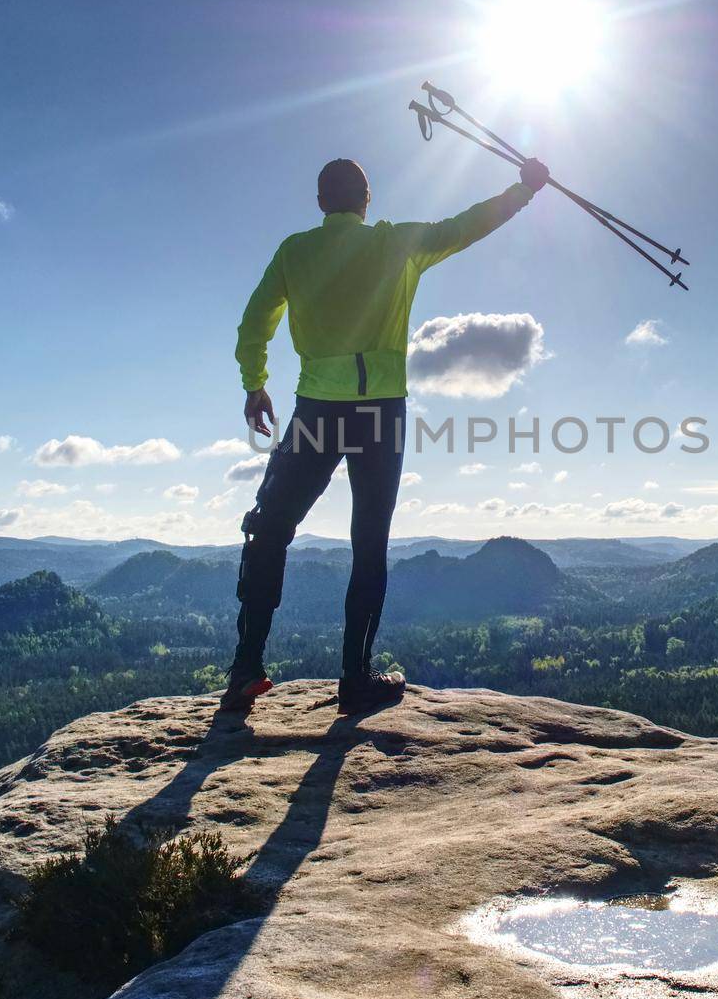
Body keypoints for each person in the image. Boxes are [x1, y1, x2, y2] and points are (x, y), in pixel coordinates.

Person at [226, 155, 549, 715]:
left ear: (322, 202)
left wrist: (255, 385)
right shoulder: (397, 243)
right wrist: (524, 189)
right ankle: (355, 680)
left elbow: (255, 323)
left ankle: (246, 669)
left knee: (269, 526)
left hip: (316, 411)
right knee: (369, 541)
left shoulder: (294, 251)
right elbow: (468, 225)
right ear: (366, 200)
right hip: (380, 413)